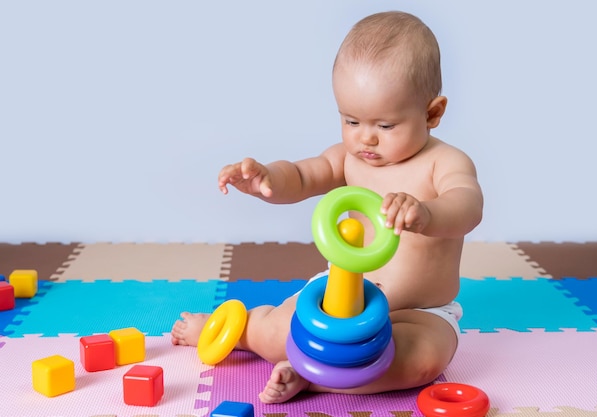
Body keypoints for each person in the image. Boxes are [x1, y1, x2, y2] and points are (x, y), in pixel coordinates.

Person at [171, 10, 483, 404]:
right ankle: (236, 330)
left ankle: (310, 376)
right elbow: (302, 176)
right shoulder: (349, 159)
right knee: (278, 330)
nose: (365, 139)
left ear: (432, 113)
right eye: (351, 121)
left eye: (385, 126)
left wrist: (427, 213)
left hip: (419, 311)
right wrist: (265, 178)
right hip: (338, 297)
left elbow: (468, 206)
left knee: (422, 362)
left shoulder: (445, 163)